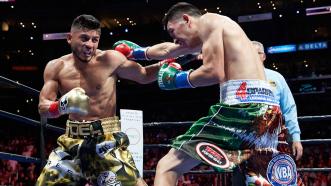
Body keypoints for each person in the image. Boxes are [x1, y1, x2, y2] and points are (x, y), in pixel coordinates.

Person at [113, 2, 303, 186]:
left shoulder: (208, 21)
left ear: (186, 19)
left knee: (167, 166)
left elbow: (213, 71)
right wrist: (136, 52)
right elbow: (170, 50)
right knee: (256, 178)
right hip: (267, 112)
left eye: (173, 31)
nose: (174, 39)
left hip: (243, 108)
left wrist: (176, 79)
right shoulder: (220, 29)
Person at [36, 14, 161, 186]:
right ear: (69, 38)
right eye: (84, 38)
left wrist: (169, 62)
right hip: (72, 139)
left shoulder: (109, 59)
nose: (90, 45)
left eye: (95, 40)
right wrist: (61, 106)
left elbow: (144, 75)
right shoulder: (55, 67)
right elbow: (43, 107)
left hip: (106, 137)